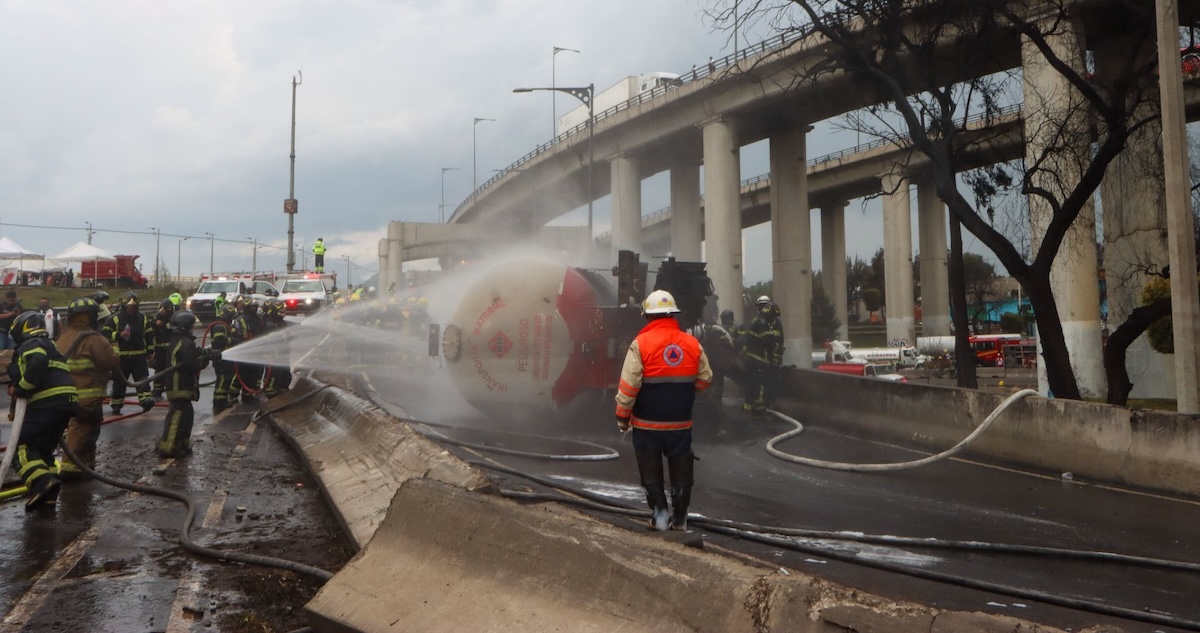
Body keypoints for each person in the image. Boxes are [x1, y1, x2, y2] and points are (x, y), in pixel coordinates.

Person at [614, 289, 712, 532]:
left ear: (648, 316)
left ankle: (660, 519)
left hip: (647, 425)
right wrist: (681, 392)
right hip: (680, 424)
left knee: (650, 471)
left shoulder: (640, 344)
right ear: (673, 315)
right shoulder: (692, 343)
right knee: (681, 470)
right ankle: (680, 521)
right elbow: (705, 380)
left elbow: (628, 387)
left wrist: (623, 419)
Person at [5, 311, 78, 510]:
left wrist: (20, 389)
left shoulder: (31, 344)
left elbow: (37, 362)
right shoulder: (50, 345)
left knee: (22, 449)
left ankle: (41, 483)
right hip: (66, 402)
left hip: (47, 403)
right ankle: (48, 496)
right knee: (42, 451)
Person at [55, 296, 120, 480]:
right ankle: (71, 470)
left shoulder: (63, 338)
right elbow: (110, 362)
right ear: (89, 317)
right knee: (83, 431)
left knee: (80, 431)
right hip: (87, 398)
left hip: (65, 397)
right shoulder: (93, 339)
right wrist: (115, 348)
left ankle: (85, 468)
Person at [159, 310, 209, 458]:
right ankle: (168, 448)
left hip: (179, 385)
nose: (193, 328)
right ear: (186, 326)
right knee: (177, 417)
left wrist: (199, 353)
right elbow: (191, 365)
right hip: (179, 386)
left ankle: (182, 444)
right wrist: (204, 361)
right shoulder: (186, 343)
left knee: (186, 415)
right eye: (191, 326)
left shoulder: (178, 340)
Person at [105, 291, 155, 414]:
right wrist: (119, 335)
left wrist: (150, 351)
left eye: (133, 307)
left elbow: (149, 335)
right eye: (129, 306)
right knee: (119, 382)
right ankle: (116, 404)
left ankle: (145, 401)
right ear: (123, 306)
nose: (131, 309)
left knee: (142, 380)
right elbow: (105, 333)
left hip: (139, 356)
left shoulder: (143, 318)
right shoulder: (115, 318)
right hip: (121, 358)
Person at [741, 295, 784, 414]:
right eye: (760, 306)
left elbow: (780, 339)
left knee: (757, 383)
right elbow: (767, 341)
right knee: (760, 384)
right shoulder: (761, 322)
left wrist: (777, 356)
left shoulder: (772, 322)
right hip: (760, 360)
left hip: (765, 360)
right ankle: (760, 409)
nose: (762, 308)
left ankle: (751, 407)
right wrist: (777, 348)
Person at [209, 303, 238, 414]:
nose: (231, 319)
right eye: (230, 316)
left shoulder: (224, 324)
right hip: (221, 358)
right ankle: (219, 402)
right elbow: (219, 341)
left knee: (226, 380)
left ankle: (223, 400)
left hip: (225, 357)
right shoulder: (219, 326)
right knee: (222, 380)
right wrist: (233, 340)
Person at [261, 299, 292, 397]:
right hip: (274, 354)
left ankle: (282, 387)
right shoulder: (270, 325)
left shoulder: (282, 322)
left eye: (284, 310)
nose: (283, 312)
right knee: (274, 373)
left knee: (284, 372)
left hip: (283, 352)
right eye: (280, 311)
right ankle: (270, 391)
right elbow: (273, 340)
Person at [150, 297, 179, 398]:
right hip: (159, 350)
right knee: (159, 369)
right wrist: (155, 323)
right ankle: (157, 389)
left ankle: (170, 390)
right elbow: (149, 328)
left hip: (171, 349)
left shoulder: (175, 319)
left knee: (171, 370)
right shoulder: (156, 318)